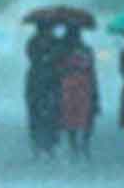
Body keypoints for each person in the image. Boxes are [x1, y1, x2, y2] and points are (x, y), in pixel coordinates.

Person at [58, 27, 100, 162]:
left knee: (74, 116)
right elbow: (91, 70)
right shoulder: (84, 50)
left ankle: (76, 145)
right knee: (82, 115)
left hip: (72, 86)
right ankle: (81, 144)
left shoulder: (64, 52)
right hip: (81, 86)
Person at [25, 21, 63, 158]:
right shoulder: (33, 42)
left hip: (51, 81)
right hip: (38, 81)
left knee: (53, 113)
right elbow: (31, 56)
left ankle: (50, 145)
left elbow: (61, 57)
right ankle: (37, 144)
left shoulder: (56, 42)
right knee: (36, 114)